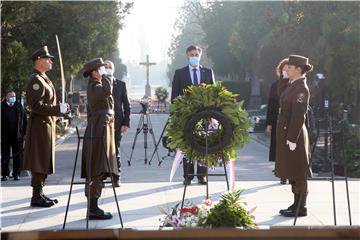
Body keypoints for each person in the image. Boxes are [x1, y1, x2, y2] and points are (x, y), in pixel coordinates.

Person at [23, 46, 69, 207]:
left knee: (44, 160)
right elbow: (36, 106)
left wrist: (60, 111)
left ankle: (40, 193)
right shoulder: (35, 80)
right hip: (39, 126)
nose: (50, 61)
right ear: (38, 61)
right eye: (47, 58)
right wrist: (57, 109)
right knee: (39, 160)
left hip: (47, 125)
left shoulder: (43, 78)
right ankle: (36, 196)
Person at [171, 45, 215, 186]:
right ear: (187, 56)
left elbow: (214, 94)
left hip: (204, 115)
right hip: (186, 116)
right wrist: (176, 114)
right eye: (192, 54)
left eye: (197, 54)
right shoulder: (180, 73)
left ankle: (202, 175)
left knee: (203, 144)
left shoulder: (208, 72)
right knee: (187, 145)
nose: (194, 56)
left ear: (200, 55)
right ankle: (188, 175)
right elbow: (175, 95)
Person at [275, 54, 313, 217]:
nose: (286, 70)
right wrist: (284, 79)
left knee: (299, 171)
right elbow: (281, 95)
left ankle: (301, 206)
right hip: (287, 131)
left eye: (289, 68)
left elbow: (298, 116)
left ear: (298, 69)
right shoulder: (292, 84)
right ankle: (295, 203)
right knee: (291, 169)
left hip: (294, 134)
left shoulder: (301, 88)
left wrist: (291, 138)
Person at [81, 58, 118, 220]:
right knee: (96, 168)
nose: (105, 71)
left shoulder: (98, 84)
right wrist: (108, 77)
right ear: (95, 72)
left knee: (101, 169)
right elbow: (106, 92)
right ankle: (93, 209)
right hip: (98, 131)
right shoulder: (95, 86)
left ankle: (94, 207)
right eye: (102, 69)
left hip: (104, 130)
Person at [104, 59, 131, 187]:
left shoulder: (120, 84)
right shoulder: (99, 83)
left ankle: (116, 176)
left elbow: (126, 105)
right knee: (102, 150)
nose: (108, 68)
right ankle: (103, 176)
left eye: (110, 67)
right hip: (102, 123)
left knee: (115, 149)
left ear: (113, 69)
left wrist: (126, 122)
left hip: (117, 122)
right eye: (105, 66)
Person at [265, 58, 289, 184]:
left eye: (287, 69)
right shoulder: (275, 85)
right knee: (279, 148)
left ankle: (290, 172)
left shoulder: (294, 84)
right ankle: (282, 173)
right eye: (283, 69)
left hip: (290, 121)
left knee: (289, 148)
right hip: (276, 120)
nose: (285, 71)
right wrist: (269, 123)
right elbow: (271, 105)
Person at [1, 90, 27, 181]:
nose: (13, 98)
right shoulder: (1, 107)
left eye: (14, 96)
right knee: (5, 156)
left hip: (17, 136)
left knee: (17, 157)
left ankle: (16, 174)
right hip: (5, 136)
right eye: (11, 96)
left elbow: (24, 120)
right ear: (6, 97)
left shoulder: (19, 106)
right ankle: (5, 174)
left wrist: (25, 133)